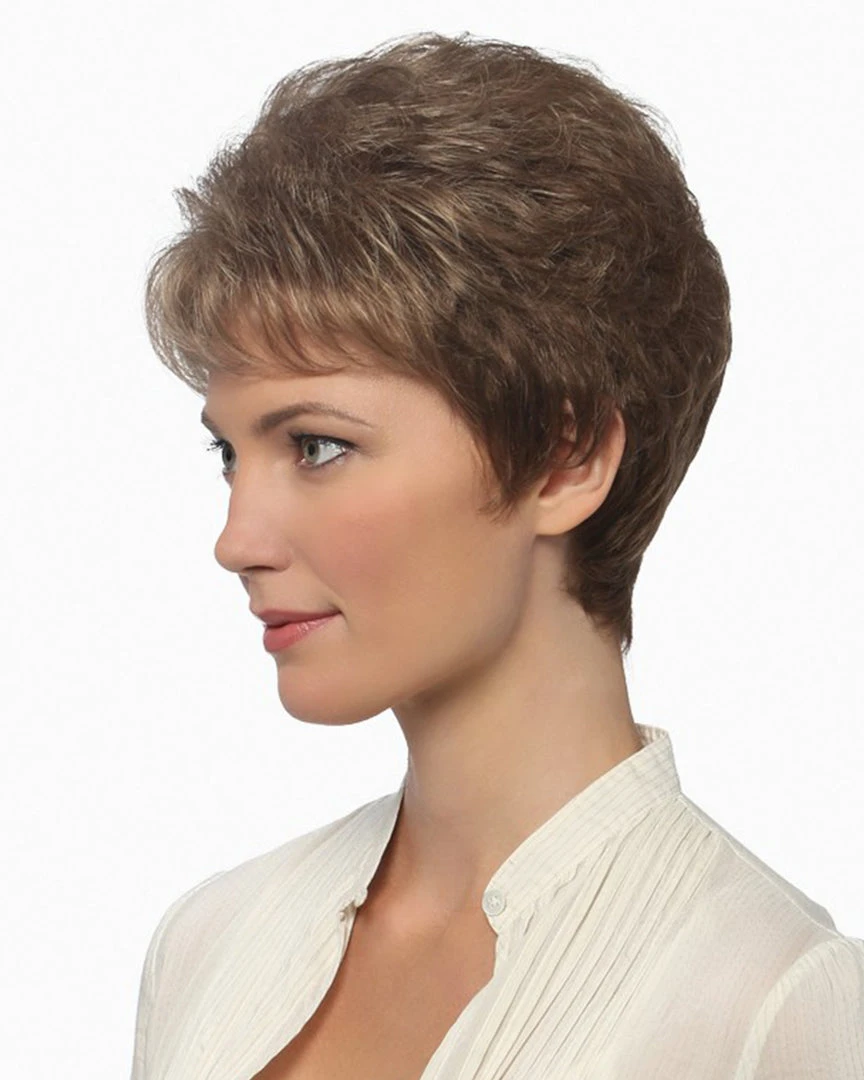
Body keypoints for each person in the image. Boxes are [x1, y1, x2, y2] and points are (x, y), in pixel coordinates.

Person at [130, 31, 864, 1080]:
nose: (236, 541)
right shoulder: (210, 943)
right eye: (229, 455)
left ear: (567, 457)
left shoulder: (768, 1004)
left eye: (318, 446)